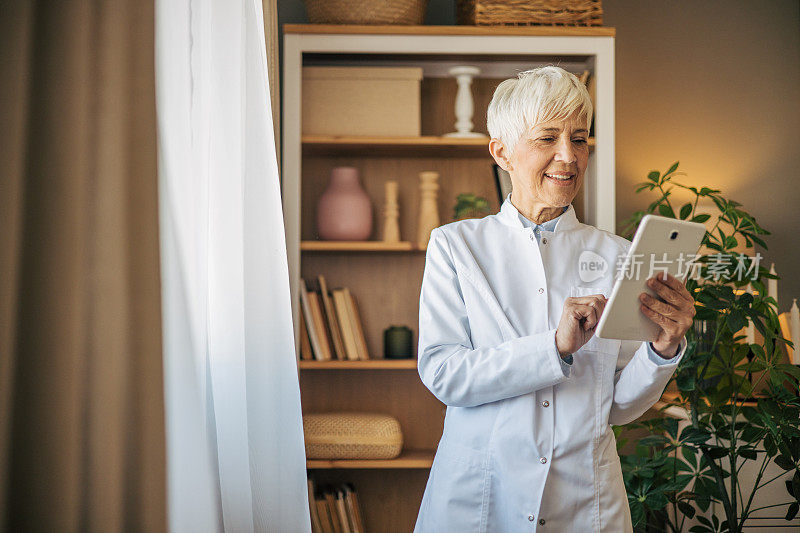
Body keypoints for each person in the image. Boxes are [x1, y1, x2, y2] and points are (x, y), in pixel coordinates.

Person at [414, 66, 695, 532]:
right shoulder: (455, 246)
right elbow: (444, 373)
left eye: (579, 139)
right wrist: (554, 348)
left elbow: (618, 406)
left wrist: (661, 350)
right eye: (547, 138)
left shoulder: (619, 256)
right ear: (501, 152)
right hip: (480, 498)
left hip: (584, 502)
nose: (568, 156)